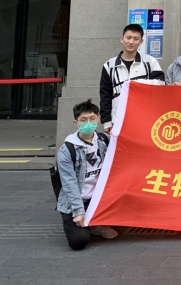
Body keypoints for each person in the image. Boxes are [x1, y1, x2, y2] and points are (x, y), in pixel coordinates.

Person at [56, 99, 118, 250]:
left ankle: (98, 224)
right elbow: (69, 184)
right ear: (76, 122)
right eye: (83, 120)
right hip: (77, 201)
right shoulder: (67, 150)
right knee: (79, 241)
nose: (88, 123)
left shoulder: (104, 140)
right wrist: (78, 211)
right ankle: (85, 221)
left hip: (98, 199)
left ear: (98, 119)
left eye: (92, 118)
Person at [99, 24, 165, 133]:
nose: (131, 42)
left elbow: (161, 84)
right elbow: (105, 95)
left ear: (141, 41)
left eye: (135, 39)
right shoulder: (109, 65)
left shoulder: (150, 61)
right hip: (118, 119)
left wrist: (134, 84)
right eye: (128, 38)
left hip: (145, 118)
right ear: (122, 39)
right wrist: (107, 122)